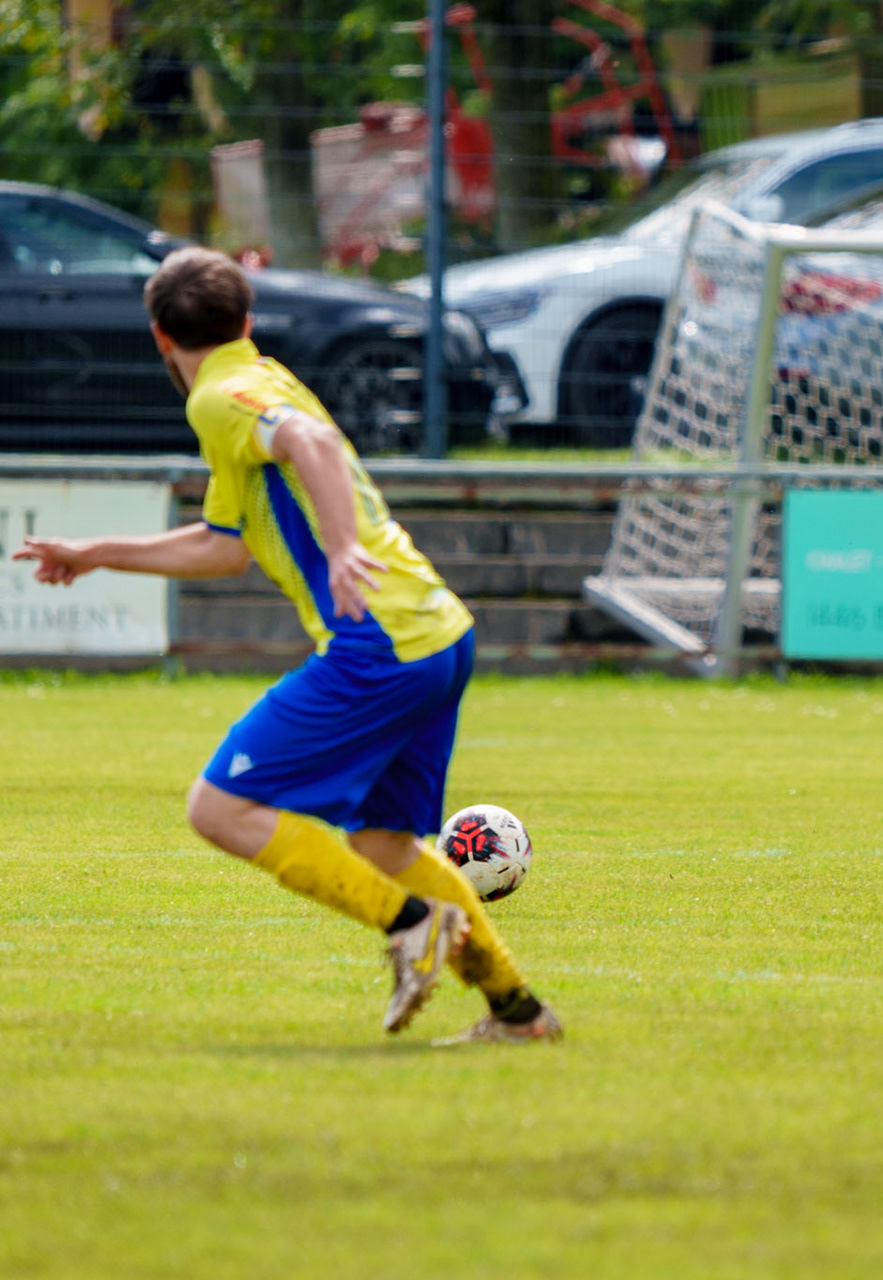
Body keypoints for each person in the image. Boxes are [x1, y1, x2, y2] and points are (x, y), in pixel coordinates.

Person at [13, 246, 566, 1038]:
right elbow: (224, 545)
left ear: (159, 338)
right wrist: (97, 553)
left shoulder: (221, 396)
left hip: (381, 642)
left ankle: (407, 922)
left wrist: (341, 548)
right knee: (380, 840)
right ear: (245, 321)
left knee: (219, 807)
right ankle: (517, 1010)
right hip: (437, 631)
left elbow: (307, 442)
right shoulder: (259, 376)